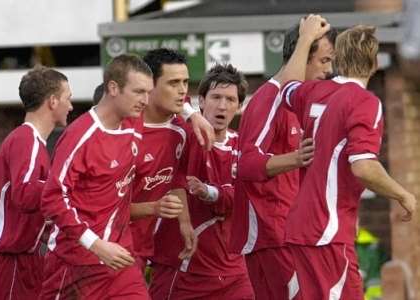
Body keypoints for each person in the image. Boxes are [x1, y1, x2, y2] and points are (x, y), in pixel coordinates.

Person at [281, 25, 417, 299]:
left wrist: (305, 40)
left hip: (301, 226)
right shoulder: (365, 101)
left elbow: (285, 88)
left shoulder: (313, 91)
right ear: (375, 62)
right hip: (327, 230)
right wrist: (404, 195)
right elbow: (363, 166)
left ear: (337, 59)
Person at [228, 15, 334, 299]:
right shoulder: (269, 98)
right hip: (272, 235)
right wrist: (297, 158)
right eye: (324, 61)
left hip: (290, 234)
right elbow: (247, 163)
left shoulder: (301, 101)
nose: (329, 70)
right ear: (300, 55)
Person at [40, 54, 153, 299]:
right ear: (113, 88)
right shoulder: (79, 136)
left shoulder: (134, 120)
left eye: (148, 92)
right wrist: (96, 245)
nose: (146, 100)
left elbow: (173, 95)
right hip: (75, 263)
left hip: (121, 263)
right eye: (139, 92)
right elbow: (53, 198)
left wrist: (192, 115)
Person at [149, 64, 255, 299]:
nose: (222, 105)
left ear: (239, 106)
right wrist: (189, 114)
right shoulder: (181, 136)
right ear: (201, 102)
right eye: (216, 97)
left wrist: (211, 192)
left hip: (234, 272)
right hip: (184, 268)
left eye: (230, 99)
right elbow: (158, 91)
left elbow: (246, 196)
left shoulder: (244, 146)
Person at [0, 66, 73, 299]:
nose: (71, 106)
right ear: (53, 101)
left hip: (23, 260)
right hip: (6, 263)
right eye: (68, 98)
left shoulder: (32, 142)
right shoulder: (25, 139)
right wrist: (68, 184)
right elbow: (25, 194)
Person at [129, 48, 196, 272]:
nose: (182, 91)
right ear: (150, 86)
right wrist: (154, 207)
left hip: (141, 247)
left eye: (185, 82)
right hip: (108, 246)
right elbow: (104, 205)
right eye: (173, 83)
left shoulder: (180, 132)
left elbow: (176, 176)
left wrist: (184, 222)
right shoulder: (124, 131)